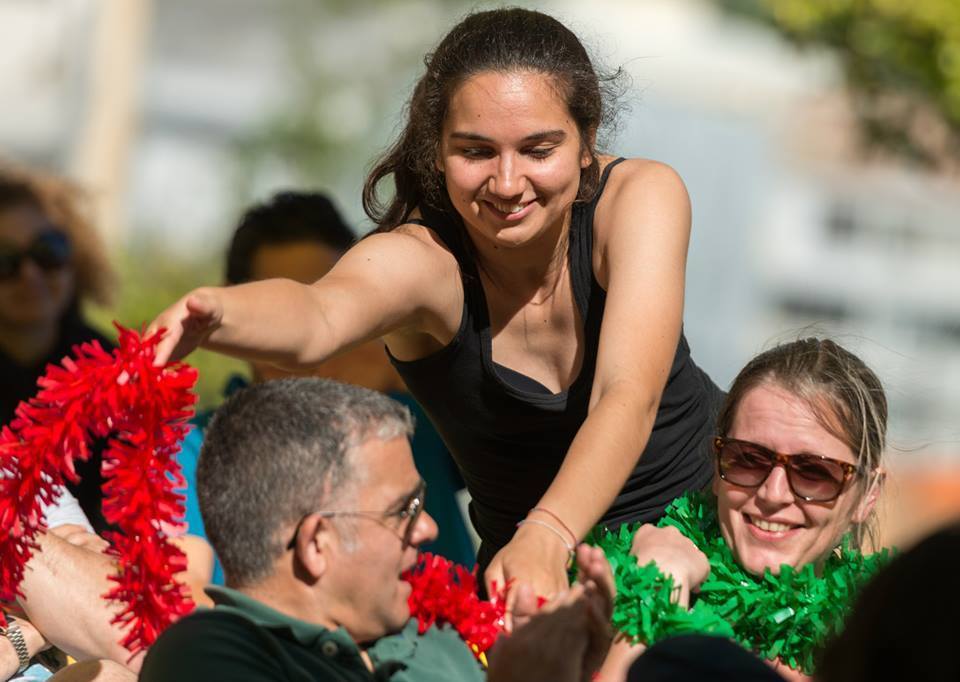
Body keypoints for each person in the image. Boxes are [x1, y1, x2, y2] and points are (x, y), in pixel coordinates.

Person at [147, 8, 723, 604]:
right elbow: (319, 316)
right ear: (437, 151)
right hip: (528, 589)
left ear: (587, 140)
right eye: (475, 151)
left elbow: (626, 397)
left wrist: (548, 533)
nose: (506, 182)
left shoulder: (640, 197)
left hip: (707, 550)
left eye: (537, 149)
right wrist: (214, 313)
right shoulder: (424, 261)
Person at [139, 377, 615, 682]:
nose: (427, 527)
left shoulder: (438, 640)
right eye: (403, 508)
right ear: (317, 544)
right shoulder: (205, 656)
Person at [176, 192, 474, 583]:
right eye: (282, 309)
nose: (310, 338)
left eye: (329, 306)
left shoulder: (418, 413)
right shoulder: (193, 448)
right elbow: (183, 595)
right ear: (230, 311)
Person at [599, 338, 887, 681]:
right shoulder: (601, 593)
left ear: (868, 494)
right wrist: (656, 585)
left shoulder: (890, 645)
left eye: (814, 471)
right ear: (718, 463)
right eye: (749, 459)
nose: (773, 493)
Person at [0, 166, 114, 532]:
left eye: (47, 251)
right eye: (4, 261)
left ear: (75, 260)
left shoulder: (116, 372)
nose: (30, 274)